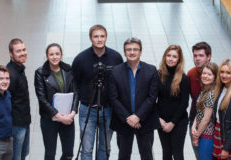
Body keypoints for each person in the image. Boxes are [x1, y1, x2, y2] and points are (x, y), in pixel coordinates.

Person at [72, 24, 123, 160]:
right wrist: (74, 107)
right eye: (96, 36)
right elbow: (74, 83)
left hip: (108, 109)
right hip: (87, 108)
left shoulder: (116, 57)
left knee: (104, 147)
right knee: (86, 149)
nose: (99, 39)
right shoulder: (80, 59)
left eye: (102, 36)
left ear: (106, 37)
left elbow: (120, 82)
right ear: (90, 38)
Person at [109, 37, 160, 160]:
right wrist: (128, 118)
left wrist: (138, 116)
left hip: (145, 120)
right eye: (128, 49)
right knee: (123, 156)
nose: (132, 52)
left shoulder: (151, 70)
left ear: (140, 52)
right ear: (124, 52)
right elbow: (113, 98)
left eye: (135, 49)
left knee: (147, 155)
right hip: (123, 121)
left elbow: (152, 97)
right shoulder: (115, 71)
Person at [34, 43, 79, 160]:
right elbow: (42, 98)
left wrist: (73, 113)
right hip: (49, 119)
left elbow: (76, 93)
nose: (54, 57)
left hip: (67, 117)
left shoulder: (69, 70)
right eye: (51, 54)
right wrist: (58, 116)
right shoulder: (40, 73)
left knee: (69, 154)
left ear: (61, 55)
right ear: (47, 56)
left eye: (57, 54)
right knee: (50, 153)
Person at [156, 45, 190, 160]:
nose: (171, 58)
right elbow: (152, 99)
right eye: (168, 55)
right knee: (166, 152)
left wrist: (172, 123)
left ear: (179, 60)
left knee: (177, 153)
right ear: (165, 57)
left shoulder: (183, 78)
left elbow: (184, 103)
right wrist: (158, 119)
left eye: (174, 56)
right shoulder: (158, 75)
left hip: (178, 121)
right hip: (162, 121)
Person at [6, 38, 31, 160]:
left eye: (24, 49)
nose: (23, 53)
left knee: (23, 154)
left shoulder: (19, 69)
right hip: (16, 124)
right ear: (11, 54)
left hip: (24, 122)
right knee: (16, 157)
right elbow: (5, 102)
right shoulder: (11, 74)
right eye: (18, 51)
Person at [187, 42, 212, 159]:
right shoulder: (191, 74)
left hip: (212, 126)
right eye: (195, 55)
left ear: (208, 57)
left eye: (201, 55)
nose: (197, 59)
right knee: (198, 155)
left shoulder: (217, 74)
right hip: (194, 121)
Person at [191, 62, 218, 160]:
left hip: (207, 137)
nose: (205, 76)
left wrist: (196, 136)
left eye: (209, 74)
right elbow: (199, 111)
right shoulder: (205, 90)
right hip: (201, 132)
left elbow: (206, 119)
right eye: (204, 73)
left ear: (215, 77)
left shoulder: (212, 93)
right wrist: (194, 125)